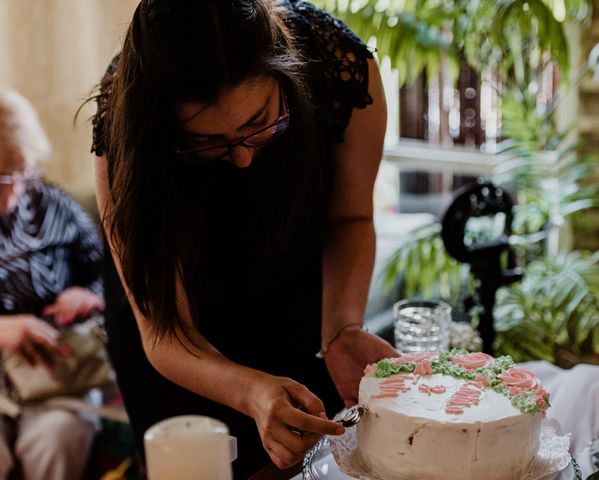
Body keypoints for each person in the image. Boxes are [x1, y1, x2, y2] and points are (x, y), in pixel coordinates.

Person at [92, 0, 397, 475]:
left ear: (287, 73)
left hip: (295, 296)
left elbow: (350, 218)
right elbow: (164, 333)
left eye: (260, 124)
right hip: (181, 340)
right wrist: (249, 388)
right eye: (207, 142)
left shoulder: (339, 69)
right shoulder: (125, 124)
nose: (243, 161)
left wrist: (341, 328)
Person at [0, 87, 104, 480]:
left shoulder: (51, 205)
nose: (12, 195)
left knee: (58, 438)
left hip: (61, 380)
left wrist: (89, 296)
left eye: (18, 175)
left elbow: (109, 276)